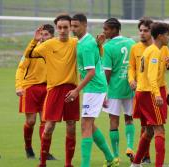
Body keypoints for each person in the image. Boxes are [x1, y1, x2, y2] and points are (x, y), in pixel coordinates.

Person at [24, 14, 79, 167]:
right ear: (56, 28)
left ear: (70, 28)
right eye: (60, 27)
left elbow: (94, 54)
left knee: (71, 126)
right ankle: (42, 163)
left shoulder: (76, 43)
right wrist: (35, 40)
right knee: (48, 127)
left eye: (65, 27)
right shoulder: (48, 45)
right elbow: (29, 55)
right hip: (54, 90)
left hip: (71, 89)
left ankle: (68, 163)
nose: (62, 30)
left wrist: (99, 45)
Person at [68, 13, 118, 167]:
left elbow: (91, 72)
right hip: (94, 87)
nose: (73, 29)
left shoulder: (87, 45)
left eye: (76, 26)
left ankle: (85, 165)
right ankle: (110, 158)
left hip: (94, 87)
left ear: (85, 25)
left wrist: (76, 90)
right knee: (89, 124)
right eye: (72, 26)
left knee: (85, 125)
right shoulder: (85, 42)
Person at [128, 18, 169, 164]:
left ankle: (135, 163)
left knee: (148, 131)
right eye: (167, 34)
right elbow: (151, 76)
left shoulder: (151, 49)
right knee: (159, 130)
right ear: (160, 36)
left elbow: (160, 71)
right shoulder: (154, 52)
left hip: (143, 92)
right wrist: (157, 94)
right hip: (150, 93)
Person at [15, 24, 56, 160]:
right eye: (41, 34)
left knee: (46, 122)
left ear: (52, 36)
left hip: (47, 89)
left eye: (46, 35)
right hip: (30, 88)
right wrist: (18, 86)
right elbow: (21, 68)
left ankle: (44, 153)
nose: (43, 37)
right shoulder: (32, 49)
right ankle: (28, 147)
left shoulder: (55, 50)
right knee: (31, 121)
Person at [101, 18, 136, 162]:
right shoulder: (131, 42)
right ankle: (129, 146)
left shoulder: (108, 47)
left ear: (115, 29)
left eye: (106, 29)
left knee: (113, 121)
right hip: (130, 87)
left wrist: (103, 93)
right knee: (129, 119)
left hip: (115, 90)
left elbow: (107, 73)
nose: (104, 32)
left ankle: (115, 156)